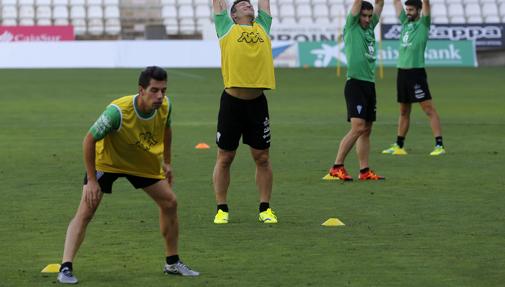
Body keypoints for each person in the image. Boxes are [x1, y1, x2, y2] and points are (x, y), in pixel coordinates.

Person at [57, 66, 199, 284]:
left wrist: (167, 162)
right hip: (108, 162)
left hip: (142, 163)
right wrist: (92, 181)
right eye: (154, 90)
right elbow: (88, 140)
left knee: (170, 202)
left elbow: (167, 130)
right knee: (86, 211)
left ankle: (172, 263)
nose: (160, 96)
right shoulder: (118, 111)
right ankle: (65, 267)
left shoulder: (166, 106)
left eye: (163, 90)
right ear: (141, 90)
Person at [211, 0, 277, 224]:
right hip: (232, 104)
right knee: (225, 157)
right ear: (234, 15)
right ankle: (222, 209)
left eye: (250, 3)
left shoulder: (262, 27)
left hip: (257, 104)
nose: (248, 5)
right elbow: (217, 4)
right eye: (241, 5)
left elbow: (265, 4)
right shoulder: (226, 28)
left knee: (263, 157)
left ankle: (265, 208)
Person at [327, 0, 385, 181]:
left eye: (369, 16)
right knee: (358, 127)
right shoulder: (352, 26)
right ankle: (337, 166)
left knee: (366, 129)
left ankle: (364, 170)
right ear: (357, 15)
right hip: (356, 84)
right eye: (364, 16)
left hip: (369, 84)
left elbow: (380, 4)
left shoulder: (369, 28)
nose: (367, 19)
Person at [382, 0, 445, 156]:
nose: (408, 12)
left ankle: (439, 145)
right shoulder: (405, 22)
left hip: (416, 73)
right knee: (403, 111)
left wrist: (424, 4)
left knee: (428, 109)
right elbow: (396, 2)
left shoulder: (423, 24)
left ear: (418, 10)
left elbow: (427, 4)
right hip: (402, 73)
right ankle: (399, 145)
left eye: (411, 9)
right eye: (407, 9)